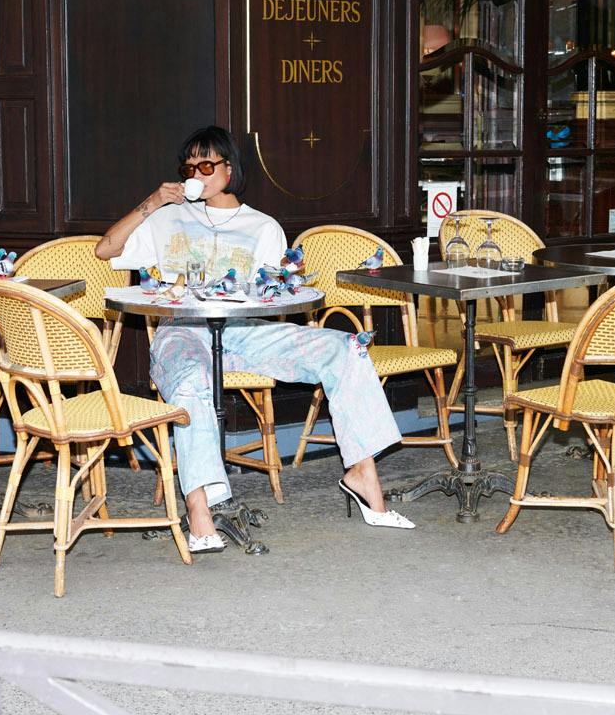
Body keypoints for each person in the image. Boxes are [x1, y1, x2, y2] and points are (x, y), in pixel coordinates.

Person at [96, 125, 414, 554]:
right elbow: (106, 249)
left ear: (229, 169)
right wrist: (152, 202)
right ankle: (200, 509)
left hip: (246, 332)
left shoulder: (262, 227)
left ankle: (362, 473)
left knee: (345, 349)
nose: (196, 174)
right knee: (190, 382)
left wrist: (286, 280)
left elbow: (273, 294)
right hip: (183, 330)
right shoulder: (167, 218)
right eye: (189, 167)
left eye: (206, 165)